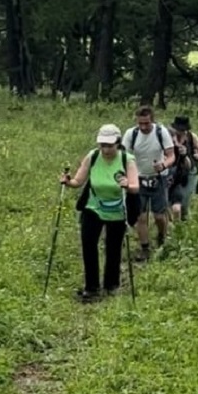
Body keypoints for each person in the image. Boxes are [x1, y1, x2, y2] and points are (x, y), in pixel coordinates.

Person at [61, 124, 140, 302]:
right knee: (88, 246)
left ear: (118, 144)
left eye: (109, 145)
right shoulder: (93, 156)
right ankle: (92, 287)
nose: (105, 149)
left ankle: (111, 285)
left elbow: (135, 187)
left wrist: (127, 185)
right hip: (93, 207)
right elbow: (78, 181)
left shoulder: (127, 159)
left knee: (113, 248)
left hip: (118, 210)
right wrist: (67, 182)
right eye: (102, 145)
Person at [122, 104, 175, 262]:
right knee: (141, 216)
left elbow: (171, 155)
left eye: (146, 123)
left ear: (152, 120)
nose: (144, 127)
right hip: (138, 178)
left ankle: (162, 236)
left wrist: (163, 165)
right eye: (140, 123)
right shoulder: (131, 134)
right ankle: (145, 247)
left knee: (159, 215)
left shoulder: (161, 132)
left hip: (159, 178)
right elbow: (122, 154)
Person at [168, 114, 198, 221]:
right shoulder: (169, 137)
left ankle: (184, 218)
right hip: (173, 171)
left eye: (183, 129)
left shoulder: (191, 136)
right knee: (171, 199)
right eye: (179, 129)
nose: (181, 131)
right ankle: (174, 221)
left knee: (185, 199)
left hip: (190, 171)